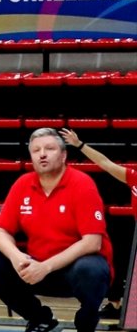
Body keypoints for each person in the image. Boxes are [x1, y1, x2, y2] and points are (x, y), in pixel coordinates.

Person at [0, 127, 112, 332]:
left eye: (49, 148)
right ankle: (39, 319)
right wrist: (17, 257)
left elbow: (92, 241)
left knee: (91, 269)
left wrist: (45, 267)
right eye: (36, 150)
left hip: (72, 270)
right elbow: (2, 232)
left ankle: (86, 329)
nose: (42, 154)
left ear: (63, 155)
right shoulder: (23, 184)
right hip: (35, 266)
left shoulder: (82, 184)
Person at [60, 126, 137, 321]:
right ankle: (116, 305)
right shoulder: (133, 176)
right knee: (118, 253)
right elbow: (104, 162)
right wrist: (80, 145)